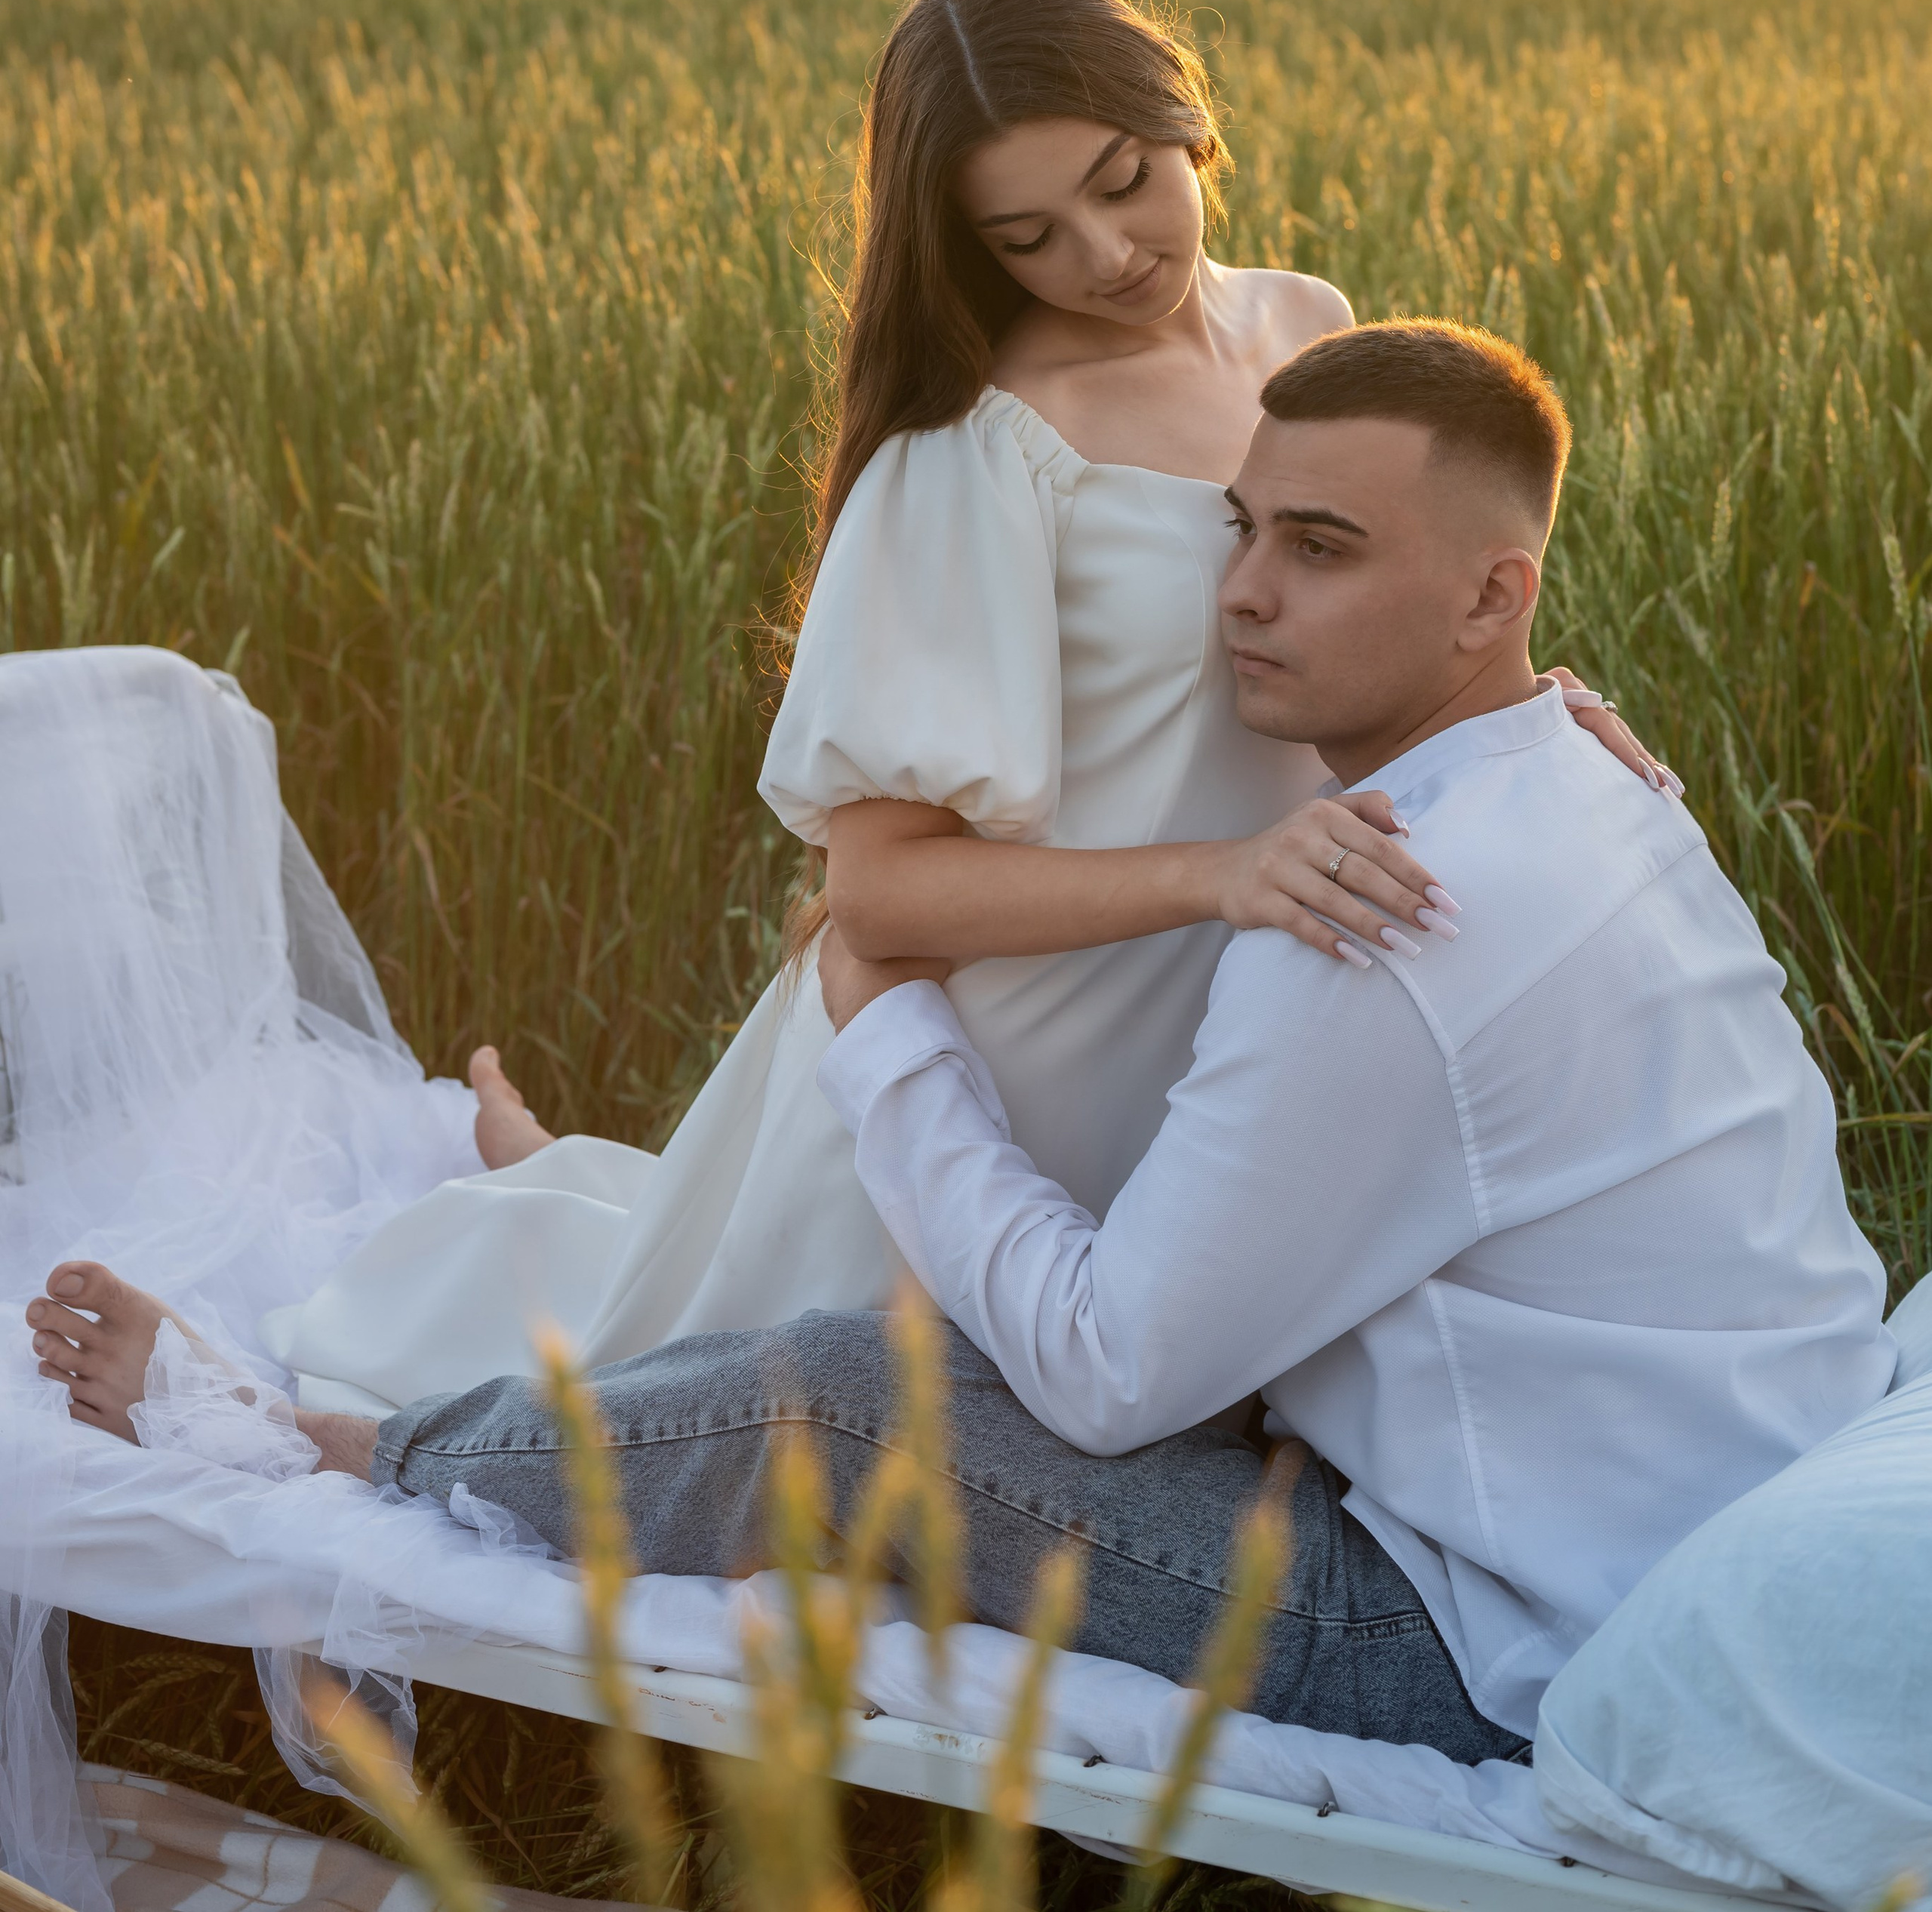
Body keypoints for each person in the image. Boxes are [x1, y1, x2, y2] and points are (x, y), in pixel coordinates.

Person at [32, 321, 1887, 1766]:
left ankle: (342, 1445)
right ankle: (521, 1223)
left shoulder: (1375, 923)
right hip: (1693, 1484)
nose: (1239, 592)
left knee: (845, 1400)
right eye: (1239, 527)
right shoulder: (1579, 776)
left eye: (1320, 548)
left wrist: (881, 1011)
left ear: (1497, 597)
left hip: (1496, 1632)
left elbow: (1098, 1374)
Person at [254, 0, 1668, 1417]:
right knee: (678, 1397)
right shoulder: (980, 448)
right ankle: (399, 1297)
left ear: (1178, 107)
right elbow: (874, 896)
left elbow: (1361, 618)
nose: (1106, 253)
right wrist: (1227, 872)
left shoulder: (1307, 327)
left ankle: (555, 1177)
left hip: (1233, 998)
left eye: (1123, 178)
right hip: (1015, 1050)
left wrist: (1506, 707)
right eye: (1026, 236)